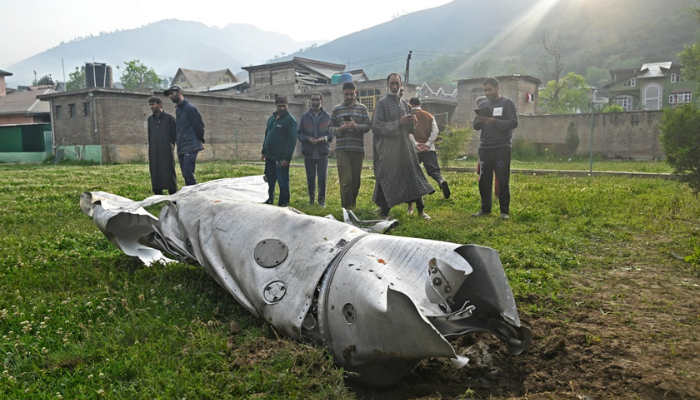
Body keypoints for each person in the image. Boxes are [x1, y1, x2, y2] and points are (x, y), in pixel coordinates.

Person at [372, 73, 435, 220]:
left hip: (405, 146)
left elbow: (410, 130)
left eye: (397, 84)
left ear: (401, 85)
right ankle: (384, 213)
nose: (394, 87)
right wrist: (399, 123)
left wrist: (412, 122)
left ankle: (420, 210)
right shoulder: (382, 103)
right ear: (387, 85)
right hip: (389, 148)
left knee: (413, 174)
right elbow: (376, 127)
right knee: (388, 177)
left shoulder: (404, 104)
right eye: (392, 84)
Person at [472, 77, 518, 220]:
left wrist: (493, 122)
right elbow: (475, 126)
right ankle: (485, 209)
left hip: (501, 147)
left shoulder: (507, 103)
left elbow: (513, 122)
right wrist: (479, 120)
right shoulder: (483, 104)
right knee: (484, 180)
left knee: (503, 179)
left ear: (497, 88)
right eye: (485, 90)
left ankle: (504, 211)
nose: (486, 93)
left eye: (489, 90)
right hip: (485, 147)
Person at [328, 81, 371, 210]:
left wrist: (355, 126)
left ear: (355, 93)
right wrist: (340, 129)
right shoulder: (337, 109)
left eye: (351, 94)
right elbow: (330, 128)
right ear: (343, 93)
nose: (349, 97)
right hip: (342, 150)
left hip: (358, 149)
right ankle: (346, 209)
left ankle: (352, 205)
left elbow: (368, 126)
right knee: (346, 181)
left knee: (355, 182)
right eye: (346, 94)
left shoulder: (362, 108)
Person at [406, 97, 450, 215]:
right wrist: (428, 144)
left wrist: (416, 144)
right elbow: (435, 131)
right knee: (434, 170)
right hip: (429, 148)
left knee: (412, 175)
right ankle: (441, 181)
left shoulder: (409, 116)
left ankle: (410, 206)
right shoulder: (429, 115)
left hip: (415, 149)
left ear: (410, 105)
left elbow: (408, 133)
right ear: (420, 104)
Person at [164, 85, 205, 186]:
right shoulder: (178, 109)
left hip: (191, 146)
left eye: (171, 93)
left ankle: (194, 197)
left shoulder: (190, 108)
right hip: (181, 146)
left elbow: (199, 125)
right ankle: (190, 195)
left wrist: (199, 140)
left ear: (179, 92)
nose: (170, 96)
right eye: (169, 94)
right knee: (184, 174)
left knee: (188, 173)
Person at [262, 95, 298, 207]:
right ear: (276, 105)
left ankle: (284, 201)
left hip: (281, 157)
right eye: (279, 106)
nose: (282, 108)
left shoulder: (290, 121)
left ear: (288, 105)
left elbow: (291, 141)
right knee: (270, 179)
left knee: (282, 180)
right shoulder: (271, 119)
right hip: (270, 155)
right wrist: (264, 151)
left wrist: (287, 158)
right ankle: (270, 198)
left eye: (284, 106)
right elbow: (267, 135)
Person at [297, 92, 332, 206]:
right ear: (310, 101)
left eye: (317, 100)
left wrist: (325, 138)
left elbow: (332, 133)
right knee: (310, 178)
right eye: (313, 100)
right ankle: (311, 201)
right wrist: (307, 139)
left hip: (322, 153)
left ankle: (321, 202)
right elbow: (299, 134)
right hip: (309, 152)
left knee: (322, 178)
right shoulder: (304, 117)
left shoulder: (327, 117)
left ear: (321, 101)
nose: (315, 102)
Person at [146, 96, 177, 195]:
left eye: (153, 104)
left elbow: (174, 135)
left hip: (167, 150)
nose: (151, 107)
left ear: (160, 105)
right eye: (150, 105)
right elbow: (150, 135)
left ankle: (172, 196)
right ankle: (158, 195)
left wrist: (170, 147)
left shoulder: (169, 118)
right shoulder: (150, 120)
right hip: (154, 150)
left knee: (169, 171)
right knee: (155, 172)